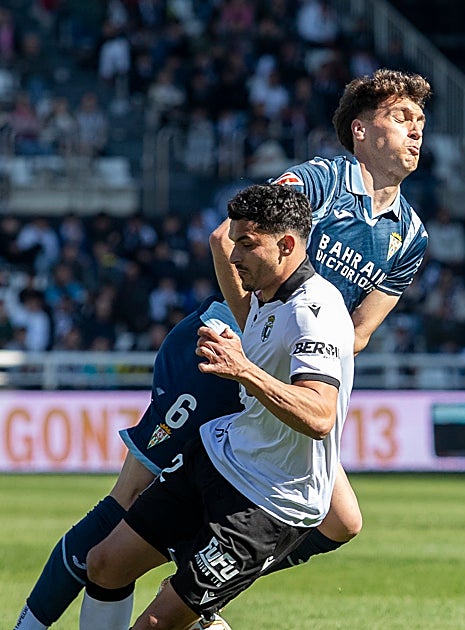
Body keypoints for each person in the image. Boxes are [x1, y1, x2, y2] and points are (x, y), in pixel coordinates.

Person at [13, 67, 430, 629]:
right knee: (130, 497)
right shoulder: (321, 181)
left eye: (420, 119)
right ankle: (34, 623)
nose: (416, 128)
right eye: (400, 116)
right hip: (219, 350)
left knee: (342, 522)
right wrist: (255, 340)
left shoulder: (412, 235)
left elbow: (357, 334)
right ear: (360, 130)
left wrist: (297, 365)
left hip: (284, 375)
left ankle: (203, 576)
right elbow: (225, 236)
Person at [84, 183, 355, 629]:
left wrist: (243, 369)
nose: (234, 257)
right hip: (220, 456)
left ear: (286, 245)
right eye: (234, 243)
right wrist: (241, 347)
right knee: (105, 563)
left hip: (268, 501)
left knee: (157, 624)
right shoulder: (269, 293)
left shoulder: (315, 313)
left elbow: (320, 415)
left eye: (246, 245)